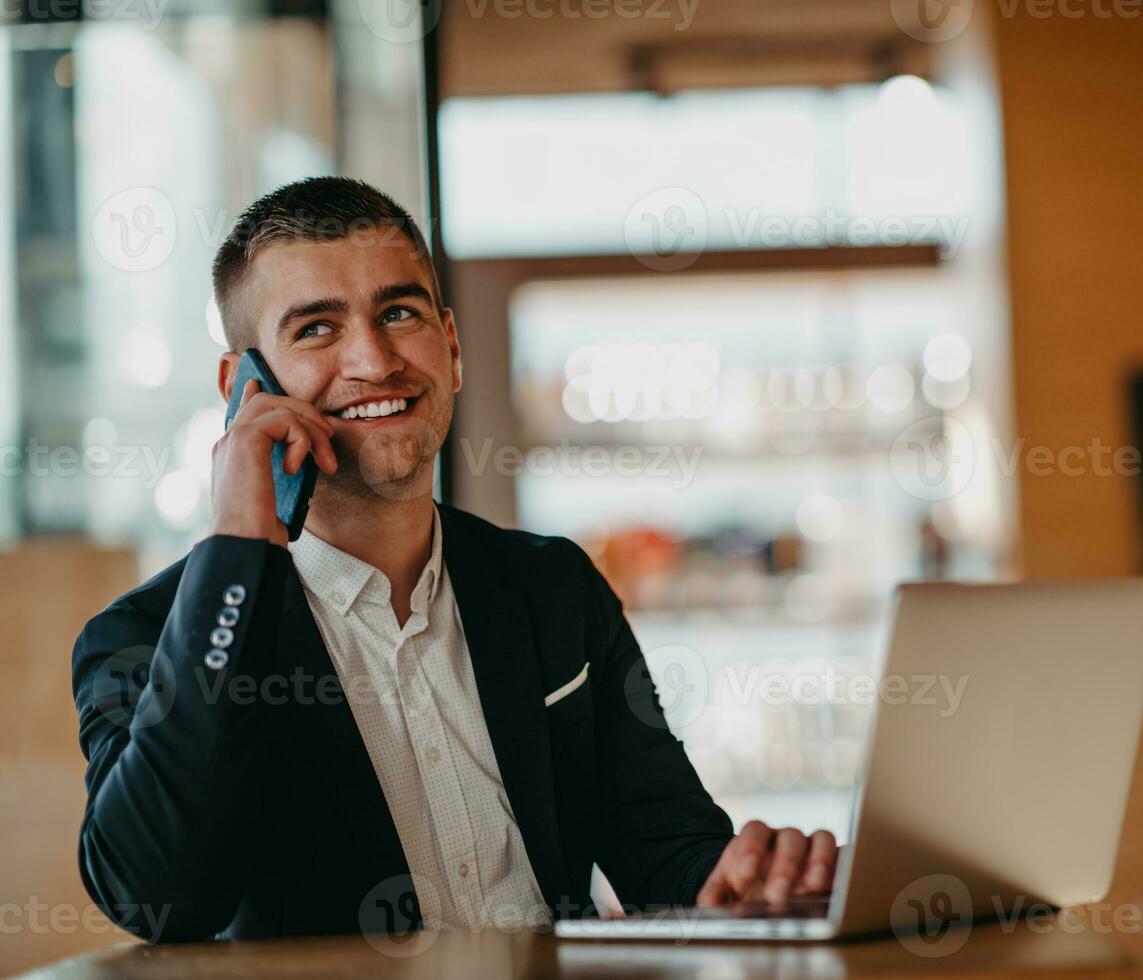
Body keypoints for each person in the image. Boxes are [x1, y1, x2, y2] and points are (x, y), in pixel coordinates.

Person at [70, 177, 838, 942]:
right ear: (241, 387)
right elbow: (159, 895)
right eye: (316, 329)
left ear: (453, 347)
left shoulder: (552, 587)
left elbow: (665, 847)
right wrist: (240, 537)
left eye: (398, 313)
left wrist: (741, 883)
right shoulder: (140, 636)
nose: (373, 359)